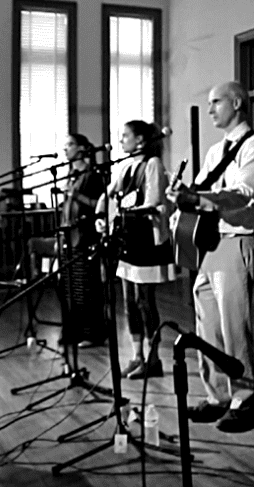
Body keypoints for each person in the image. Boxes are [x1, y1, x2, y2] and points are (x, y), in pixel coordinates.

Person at [167, 81, 254, 433]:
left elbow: (245, 191)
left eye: (216, 102)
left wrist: (201, 199)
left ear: (237, 102)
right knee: (207, 323)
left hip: (238, 241)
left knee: (233, 327)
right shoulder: (216, 150)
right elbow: (201, 191)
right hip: (211, 244)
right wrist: (183, 194)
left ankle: (245, 400)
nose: (211, 109)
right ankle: (217, 396)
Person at [95, 120, 175, 380]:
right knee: (129, 301)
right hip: (129, 239)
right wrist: (101, 215)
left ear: (140, 140)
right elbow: (108, 194)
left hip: (146, 241)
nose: (121, 141)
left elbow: (152, 201)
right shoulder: (124, 166)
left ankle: (153, 359)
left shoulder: (152, 165)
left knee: (144, 301)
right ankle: (136, 355)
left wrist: (124, 212)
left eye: (125, 136)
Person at [59, 133, 107, 348]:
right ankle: (73, 331)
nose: (65, 149)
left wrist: (75, 194)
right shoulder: (71, 174)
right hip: (69, 236)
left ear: (81, 148)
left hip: (85, 236)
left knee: (86, 287)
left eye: (70, 144)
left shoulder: (92, 174)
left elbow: (99, 203)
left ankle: (93, 333)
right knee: (69, 287)